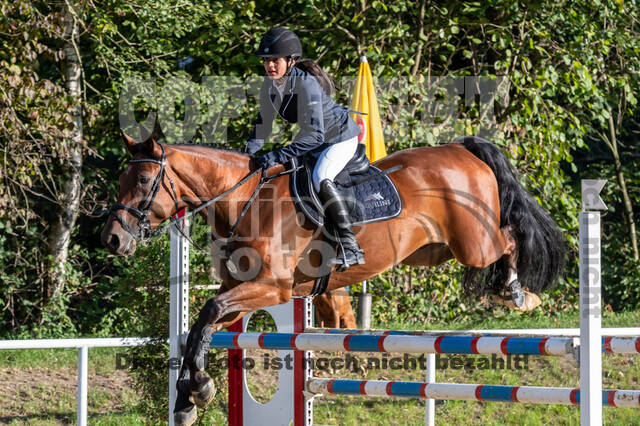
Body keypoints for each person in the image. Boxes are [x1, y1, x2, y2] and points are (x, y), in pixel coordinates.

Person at [244, 27, 365, 270]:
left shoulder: (306, 85)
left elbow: (315, 135)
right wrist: (245, 157)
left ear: (290, 61)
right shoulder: (269, 87)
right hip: (316, 140)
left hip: (339, 138)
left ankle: (351, 246)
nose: (269, 66)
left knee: (321, 177)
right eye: (266, 61)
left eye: (275, 60)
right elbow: (261, 129)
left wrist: (277, 154)